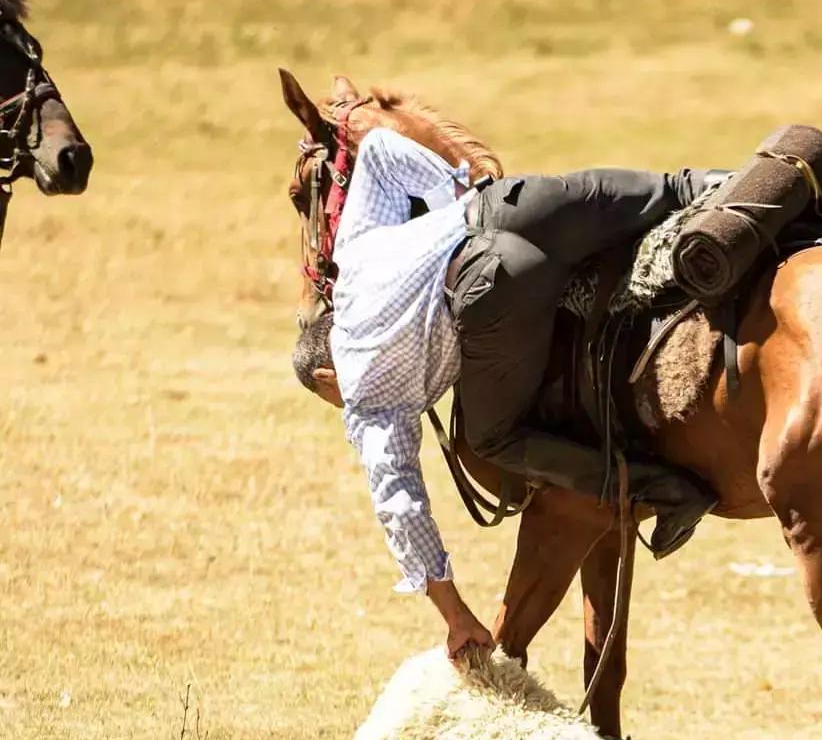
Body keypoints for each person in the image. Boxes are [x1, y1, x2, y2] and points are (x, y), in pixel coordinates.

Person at [293, 128, 723, 660]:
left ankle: (664, 490)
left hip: (494, 286)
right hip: (510, 205)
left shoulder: (362, 395)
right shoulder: (355, 259)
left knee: (492, 438)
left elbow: (401, 507)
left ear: (326, 378)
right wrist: (454, 192)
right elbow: (379, 150)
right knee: (681, 189)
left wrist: (455, 616)